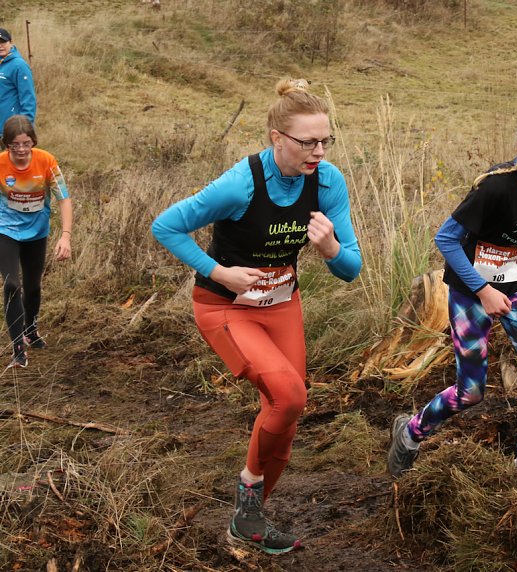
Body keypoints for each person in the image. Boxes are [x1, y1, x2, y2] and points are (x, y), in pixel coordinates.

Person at [152, 78, 361, 554]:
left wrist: (330, 249)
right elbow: (166, 225)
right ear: (276, 138)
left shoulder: (327, 181)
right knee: (288, 393)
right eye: (307, 142)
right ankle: (249, 491)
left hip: (282, 304)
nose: (318, 151)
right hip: (225, 307)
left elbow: (351, 269)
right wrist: (219, 272)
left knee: (288, 411)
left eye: (325, 140)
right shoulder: (240, 183)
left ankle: (249, 516)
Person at [387, 107, 517, 480]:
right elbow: (445, 240)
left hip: (516, 286)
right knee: (470, 392)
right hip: (470, 289)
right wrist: (483, 290)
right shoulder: (495, 186)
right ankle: (410, 433)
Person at [0, 115, 72, 368]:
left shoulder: (46, 161)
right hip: (5, 230)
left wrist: (65, 236)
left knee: (32, 286)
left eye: (25, 143)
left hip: (37, 232)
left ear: (33, 142)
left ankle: (30, 330)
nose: (20, 150)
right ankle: (17, 349)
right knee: (11, 285)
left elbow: (64, 198)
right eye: (14, 145)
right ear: (6, 145)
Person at [0, 29, 36, 130]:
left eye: (3, 42)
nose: (0, 46)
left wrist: (24, 127)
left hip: (11, 129)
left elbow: (28, 98)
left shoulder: (19, 65)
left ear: (11, 43)